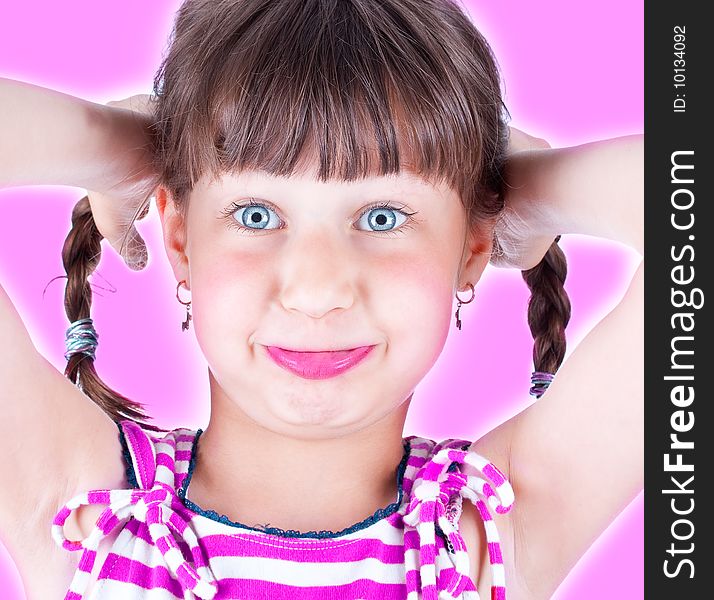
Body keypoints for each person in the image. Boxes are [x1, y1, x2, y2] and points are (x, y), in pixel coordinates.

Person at [0, 0, 643, 598]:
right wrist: (116, 148)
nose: (316, 292)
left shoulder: (494, 525)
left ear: (471, 249)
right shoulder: (85, 511)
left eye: (384, 216)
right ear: (181, 240)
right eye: (255, 214)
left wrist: (523, 193)